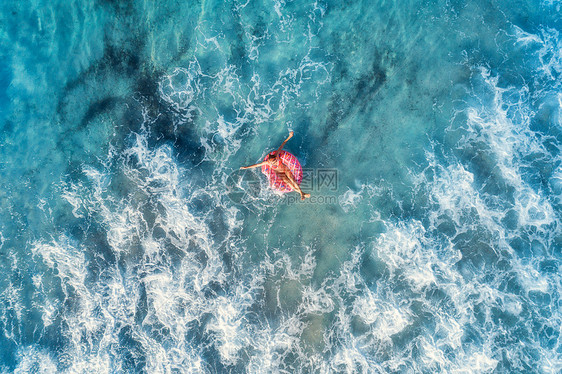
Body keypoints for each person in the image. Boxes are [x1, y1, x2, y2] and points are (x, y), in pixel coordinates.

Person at [240, 131, 311, 200]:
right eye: (273, 161)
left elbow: (282, 144)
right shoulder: (267, 162)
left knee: (293, 180)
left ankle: (302, 193)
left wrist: (289, 136)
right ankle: (302, 193)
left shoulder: (276, 155)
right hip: (280, 175)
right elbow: (257, 165)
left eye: (275, 160)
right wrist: (245, 167)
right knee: (289, 183)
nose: (275, 161)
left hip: (285, 170)